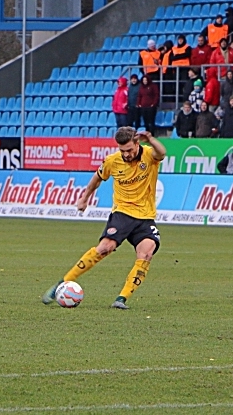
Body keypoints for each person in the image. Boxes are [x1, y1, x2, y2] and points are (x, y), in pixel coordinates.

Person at [41, 127, 165, 310]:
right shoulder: (112, 161)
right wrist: (84, 198)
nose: (126, 154)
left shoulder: (148, 155)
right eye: (122, 151)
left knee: (146, 253)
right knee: (105, 248)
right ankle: (62, 283)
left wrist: (152, 139)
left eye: (129, 150)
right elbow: (97, 179)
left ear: (137, 144)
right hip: (122, 213)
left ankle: (121, 299)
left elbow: (161, 153)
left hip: (146, 218)